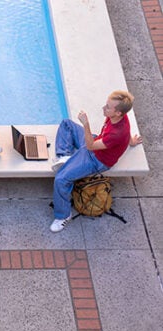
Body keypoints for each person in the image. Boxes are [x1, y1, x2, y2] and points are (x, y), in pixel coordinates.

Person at [50, 90, 142, 232]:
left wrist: (86, 124)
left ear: (118, 112)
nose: (103, 108)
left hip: (97, 159)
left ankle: (63, 216)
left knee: (61, 179)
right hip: (97, 142)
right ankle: (65, 157)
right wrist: (131, 141)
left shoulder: (115, 134)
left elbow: (90, 146)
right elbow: (126, 130)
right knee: (67, 124)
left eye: (108, 107)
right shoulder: (120, 117)